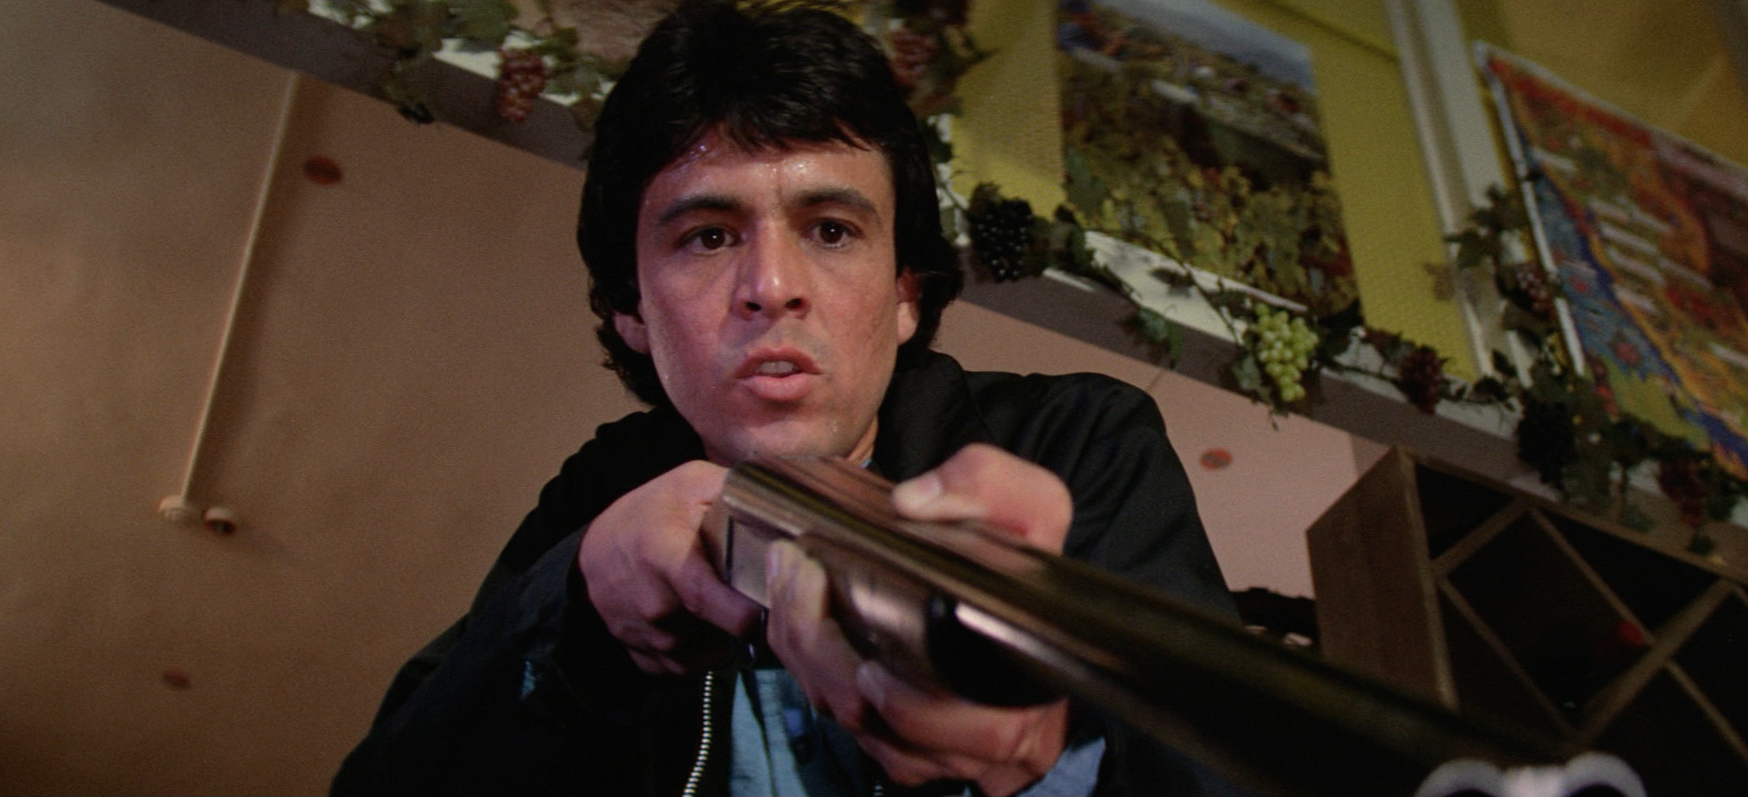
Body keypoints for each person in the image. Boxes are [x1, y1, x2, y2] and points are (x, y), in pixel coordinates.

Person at [331, 2, 1241, 795]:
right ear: (632, 312)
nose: (772, 285)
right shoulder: (598, 501)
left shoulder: (1080, 444)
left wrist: (1045, 761)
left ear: (906, 293)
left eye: (832, 229)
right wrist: (578, 619)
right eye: (709, 236)